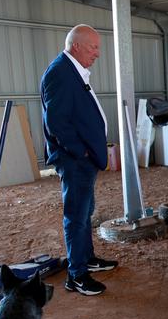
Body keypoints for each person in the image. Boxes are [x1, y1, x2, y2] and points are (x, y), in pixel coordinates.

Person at [40, 24, 118, 296]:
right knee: (76, 215)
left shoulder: (73, 69)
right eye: (93, 47)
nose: (97, 53)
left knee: (85, 212)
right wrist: (80, 151)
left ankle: (87, 259)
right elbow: (56, 122)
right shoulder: (61, 73)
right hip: (75, 159)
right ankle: (77, 275)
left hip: (82, 158)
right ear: (76, 46)